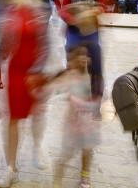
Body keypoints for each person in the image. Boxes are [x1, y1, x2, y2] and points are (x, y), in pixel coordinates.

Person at [0, 0, 50, 188]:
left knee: (36, 114)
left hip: (34, 73)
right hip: (15, 73)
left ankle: (37, 146)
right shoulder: (6, 13)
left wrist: (39, 70)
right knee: (13, 119)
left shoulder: (37, 11)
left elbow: (45, 44)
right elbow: (1, 45)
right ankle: (11, 167)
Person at [60, 0, 115, 105]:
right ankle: (73, 93)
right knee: (73, 64)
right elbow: (63, 11)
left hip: (92, 34)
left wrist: (97, 11)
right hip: (74, 33)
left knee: (95, 66)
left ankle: (96, 96)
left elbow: (103, 8)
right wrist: (73, 20)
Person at [52, 45, 100, 188]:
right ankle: (57, 179)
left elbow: (99, 96)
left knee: (87, 150)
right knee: (67, 152)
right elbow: (57, 89)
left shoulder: (91, 77)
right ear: (72, 60)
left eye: (85, 55)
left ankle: (85, 176)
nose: (83, 58)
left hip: (88, 123)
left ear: (89, 59)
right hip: (73, 123)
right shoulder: (70, 76)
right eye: (80, 55)